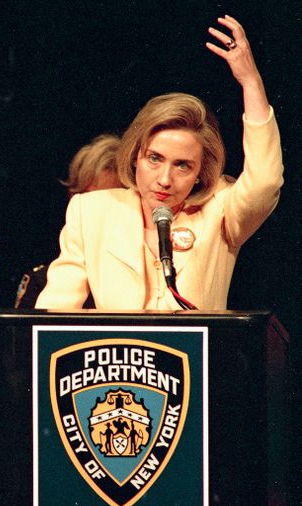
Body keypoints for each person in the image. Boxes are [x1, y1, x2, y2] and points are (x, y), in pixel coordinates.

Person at [36, 16, 283, 310]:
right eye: (154, 158)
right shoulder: (91, 213)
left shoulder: (220, 211)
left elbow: (265, 182)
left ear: (199, 174)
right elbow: (54, 312)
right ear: (135, 155)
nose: (165, 179)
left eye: (183, 165)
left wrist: (250, 81)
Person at [14, 134, 121, 308]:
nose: (95, 210)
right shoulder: (43, 281)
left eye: (107, 201)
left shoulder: (151, 279)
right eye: (89, 199)